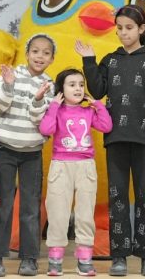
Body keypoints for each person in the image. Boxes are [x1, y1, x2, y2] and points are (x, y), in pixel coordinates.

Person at [78, 4, 145, 277]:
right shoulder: (109, 60)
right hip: (116, 138)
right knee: (118, 198)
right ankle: (119, 256)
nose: (123, 33)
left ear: (141, 29)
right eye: (120, 28)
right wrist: (89, 61)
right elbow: (97, 91)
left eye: (129, 28)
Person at [0, 34, 54, 277]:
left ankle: (29, 258)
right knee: (2, 205)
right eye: (35, 51)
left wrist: (38, 99)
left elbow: (40, 120)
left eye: (46, 53)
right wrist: (8, 85)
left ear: (52, 59)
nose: (40, 56)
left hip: (32, 153)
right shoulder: (10, 74)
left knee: (31, 207)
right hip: (5, 149)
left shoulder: (49, 84)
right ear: (27, 54)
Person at [39, 68, 112, 277]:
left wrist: (97, 104)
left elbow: (106, 126)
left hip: (86, 166)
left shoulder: (88, 112)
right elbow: (46, 129)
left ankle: (84, 259)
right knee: (57, 213)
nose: (78, 89)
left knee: (85, 214)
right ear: (61, 89)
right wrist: (54, 106)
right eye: (72, 85)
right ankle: (55, 259)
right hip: (61, 166)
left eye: (81, 84)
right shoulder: (57, 110)